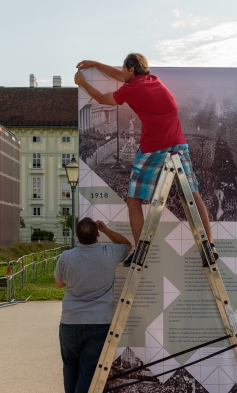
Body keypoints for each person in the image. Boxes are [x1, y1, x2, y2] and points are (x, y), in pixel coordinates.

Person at [74, 54, 216, 265]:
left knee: (134, 199)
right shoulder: (153, 80)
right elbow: (117, 74)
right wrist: (95, 64)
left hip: (154, 148)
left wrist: (82, 83)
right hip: (178, 144)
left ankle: (141, 250)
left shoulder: (133, 89)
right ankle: (210, 245)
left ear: (131, 70)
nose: (121, 72)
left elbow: (104, 99)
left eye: (124, 69)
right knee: (192, 193)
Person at [55, 217, 132, 393]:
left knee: (70, 365)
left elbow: (59, 284)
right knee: (88, 368)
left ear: (77, 236)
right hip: (99, 321)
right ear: (97, 234)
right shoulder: (109, 253)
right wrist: (106, 229)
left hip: (70, 320)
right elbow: (127, 245)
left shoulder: (66, 256)